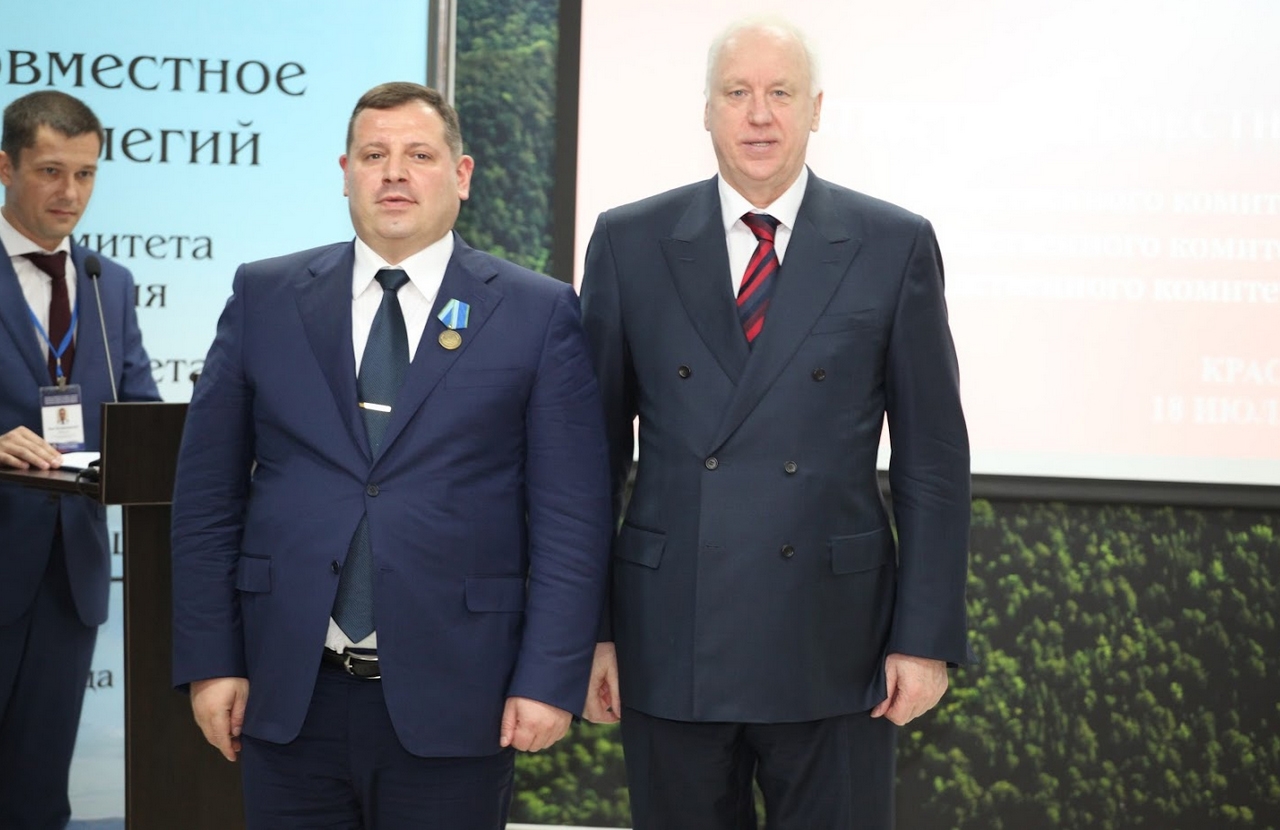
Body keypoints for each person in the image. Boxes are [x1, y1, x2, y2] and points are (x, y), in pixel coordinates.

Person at [169, 82, 612, 828]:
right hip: (286, 693)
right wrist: (212, 661)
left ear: (461, 175)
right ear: (346, 173)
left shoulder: (536, 312)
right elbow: (207, 499)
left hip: (461, 698)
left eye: (419, 155)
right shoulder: (265, 295)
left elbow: (572, 518)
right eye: (374, 155)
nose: (394, 173)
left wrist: (548, 677)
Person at [579, 17, 972, 830]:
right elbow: (590, 462)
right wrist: (590, 633)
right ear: (707, 109)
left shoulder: (893, 244)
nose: (759, 114)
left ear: (815, 108)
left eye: (781, 93)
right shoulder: (629, 241)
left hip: (837, 643)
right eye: (737, 93)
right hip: (670, 639)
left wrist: (925, 638)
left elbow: (932, 461)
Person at [0, 90, 160, 828]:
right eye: (51, 171)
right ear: (6, 167)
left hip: (71, 573)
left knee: (38, 790)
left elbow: (142, 409)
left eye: (86, 174)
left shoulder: (107, 284)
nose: (70, 193)